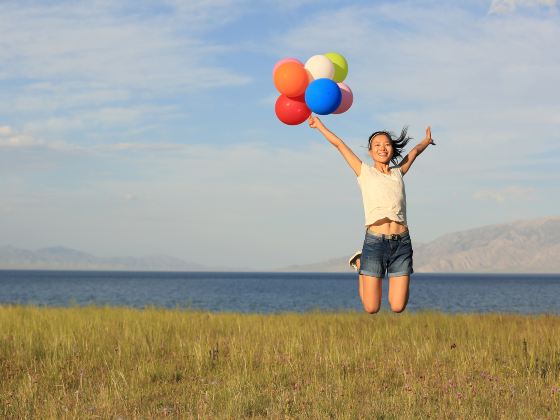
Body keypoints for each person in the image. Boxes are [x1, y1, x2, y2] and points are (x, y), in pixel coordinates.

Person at [308, 115, 435, 313]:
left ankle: (365, 263)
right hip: (375, 242)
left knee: (398, 306)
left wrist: (426, 141)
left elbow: (415, 152)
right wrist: (319, 126)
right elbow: (340, 145)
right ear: (370, 151)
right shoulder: (364, 172)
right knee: (371, 308)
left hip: (402, 242)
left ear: (392, 149)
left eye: (386, 144)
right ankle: (360, 262)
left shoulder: (398, 172)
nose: (382, 147)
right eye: (377, 144)